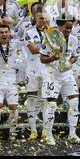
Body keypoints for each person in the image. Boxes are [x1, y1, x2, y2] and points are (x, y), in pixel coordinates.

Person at [40, 19, 80, 145]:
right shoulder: (49, 38)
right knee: (52, 105)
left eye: (70, 28)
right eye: (66, 28)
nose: (69, 31)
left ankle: (72, 134)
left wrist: (69, 62)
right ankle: (48, 135)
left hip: (67, 73)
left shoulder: (74, 39)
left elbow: (75, 55)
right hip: (51, 74)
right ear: (59, 26)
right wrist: (52, 58)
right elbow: (42, 58)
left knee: (74, 102)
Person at [0, 24, 25, 142]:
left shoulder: (15, 43)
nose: (4, 34)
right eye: (1, 32)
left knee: (13, 107)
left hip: (12, 81)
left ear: (9, 33)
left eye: (6, 32)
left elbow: (27, 41)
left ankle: (13, 132)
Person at [23, 9, 49, 140]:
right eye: (41, 18)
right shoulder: (28, 32)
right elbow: (33, 50)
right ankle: (33, 130)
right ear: (35, 19)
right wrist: (48, 48)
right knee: (32, 99)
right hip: (32, 69)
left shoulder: (52, 32)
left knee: (45, 101)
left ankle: (45, 131)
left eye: (45, 18)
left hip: (46, 70)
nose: (43, 21)